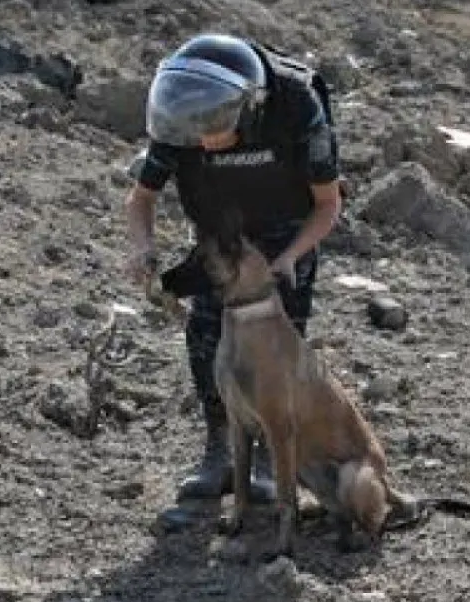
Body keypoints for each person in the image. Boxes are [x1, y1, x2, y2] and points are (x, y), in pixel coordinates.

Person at [122, 32, 343, 522]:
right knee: (206, 338)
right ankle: (219, 451)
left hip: (287, 231)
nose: (205, 140)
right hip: (219, 235)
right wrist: (144, 248)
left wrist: (290, 258)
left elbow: (328, 206)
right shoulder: (182, 115)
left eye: (218, 128)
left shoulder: (295, 106)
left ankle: (267, 455)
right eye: (198, 132)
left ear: (251, 107)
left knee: (275, 345)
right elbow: (141, 199)